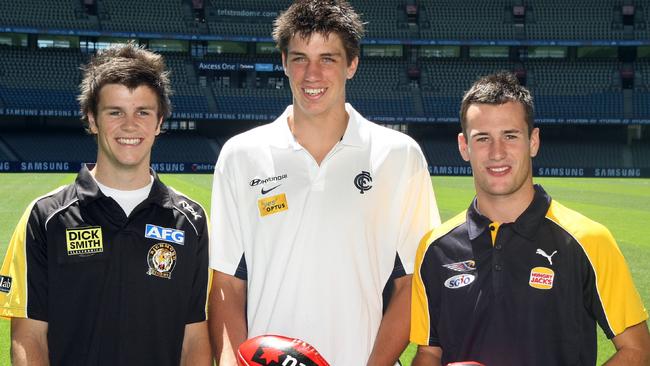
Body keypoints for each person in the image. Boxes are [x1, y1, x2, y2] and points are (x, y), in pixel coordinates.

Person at [208, 1, 440, 365]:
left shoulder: (398, 155)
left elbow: (412, 284)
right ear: (284, 62)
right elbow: (226, 286)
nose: (311, 75)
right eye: (300, 58)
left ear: (352, 64)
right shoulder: (241, 156)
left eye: (327, 59)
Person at [410, 72, 650, 366]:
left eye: (510, 136)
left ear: (533, 141)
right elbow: (428, 353)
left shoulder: (587, 240)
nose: (497, 153)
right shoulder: (434, 249)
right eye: (482, 138)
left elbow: (637, 350)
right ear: (464, 146)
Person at [0, 43, 211, 366]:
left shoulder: (191, 221)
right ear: (92, 119)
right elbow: (29, 336)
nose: (130, 125)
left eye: (143, 112)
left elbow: (194, 337)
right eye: (115, 112)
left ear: (159, 122)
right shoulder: (45, 217)